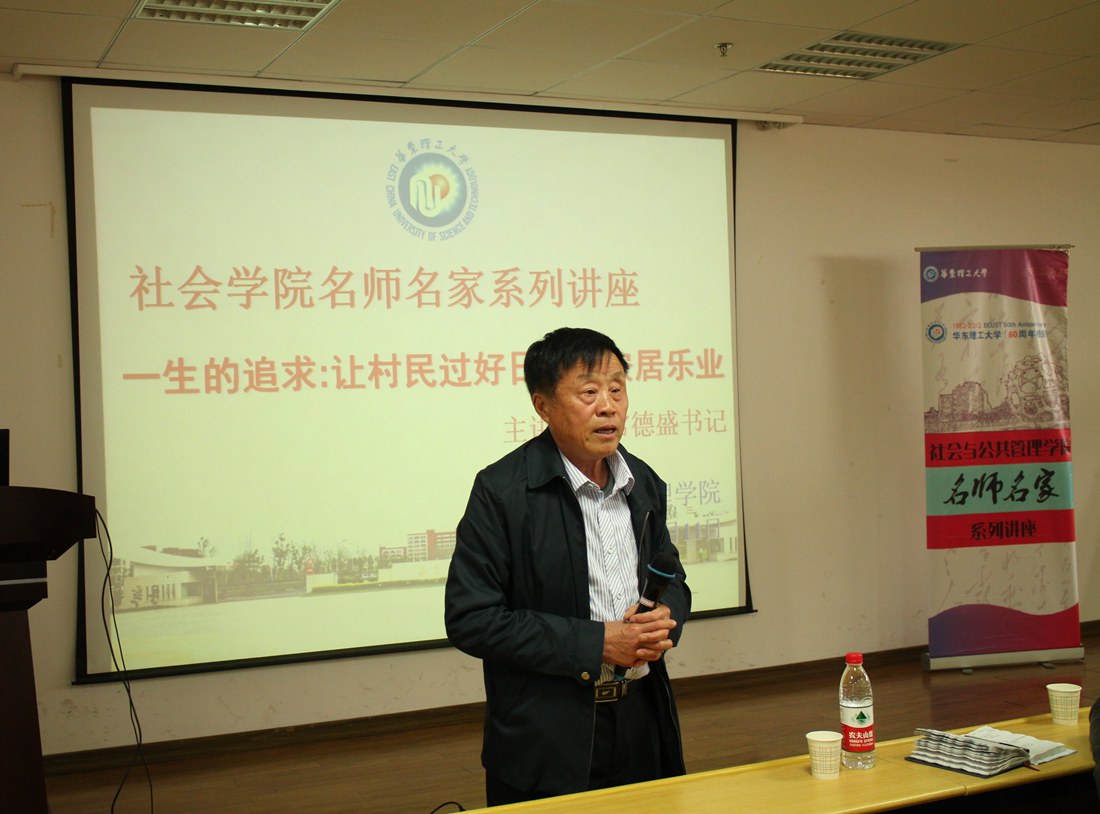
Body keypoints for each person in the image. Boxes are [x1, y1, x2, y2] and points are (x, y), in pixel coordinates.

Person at [445, 326, 690, 806]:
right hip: (547, 736)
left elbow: (673, 578)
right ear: (543, 406)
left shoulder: (644, 483)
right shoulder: (503, 493)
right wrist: (598, 643)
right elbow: (472, 619)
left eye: (617, 389)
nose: (608, 406)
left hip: (642, 723)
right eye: (589, 392)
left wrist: (667, 618)